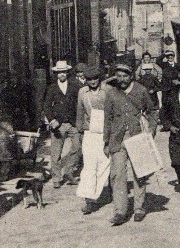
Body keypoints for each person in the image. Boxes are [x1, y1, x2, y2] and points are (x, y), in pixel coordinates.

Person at [103, 62, 156, 225]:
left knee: (139, 172)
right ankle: (120, 211)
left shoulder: (140, 90)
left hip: (137, 136)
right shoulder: (111, 93)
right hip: (117, 139)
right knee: (117, 175)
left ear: (131, 76)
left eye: (125, 76)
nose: (122, 79)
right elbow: (108, 118)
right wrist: (105, 142)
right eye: (119, 76)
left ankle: (139, 207)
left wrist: (151, 131)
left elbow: (152, 111)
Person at [76, 65, 111, 215]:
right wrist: (80, 130)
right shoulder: (82, 93)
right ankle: (90, 200)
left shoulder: (107, 91)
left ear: (99, 78)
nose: (92, 82)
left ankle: (104, 191)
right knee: (89, 165)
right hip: (89, 132)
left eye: (95, 78)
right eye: (89, 79)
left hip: (105, 131)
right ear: (85, 80)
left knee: (104, 163)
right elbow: (80, 111)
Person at [41, 60, 81, 188]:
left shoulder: (74, 86)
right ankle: (56, 178)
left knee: (78, 147)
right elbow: (46, 106)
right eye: (59, 72)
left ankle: (68, 171)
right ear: (56, 74)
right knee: (56, 153)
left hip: (72, 123)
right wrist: (52, 120)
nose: (62, 74)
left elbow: (79, 104)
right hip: (58, 125)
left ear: (67, 72)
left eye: (64, 72)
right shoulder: (52, 88)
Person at [135, 52, 162, 135]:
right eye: (145, 57)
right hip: (144, 91)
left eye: (148, 57)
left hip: (152, 91)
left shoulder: (154, 65)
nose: (147, 59)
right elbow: (136, 75)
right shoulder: (141, 67)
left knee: (154, 108)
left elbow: (160, 72)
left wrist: (157, 80)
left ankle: (153, 123)